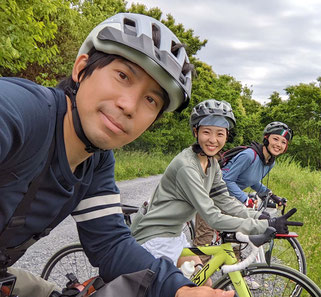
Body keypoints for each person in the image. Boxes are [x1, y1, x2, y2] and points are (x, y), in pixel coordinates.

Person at [0, 13, 232, 297]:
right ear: (81, 69)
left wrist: (179, 289)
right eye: (123, 76)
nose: (129, 105)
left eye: (151, 99)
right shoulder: (20, 112)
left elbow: (110, 245)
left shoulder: (96, 161)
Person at [130, 100, 299, 279]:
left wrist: (259, 216)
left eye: (220, 133)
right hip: (154, 237)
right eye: (206, 132)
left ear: (227, 136)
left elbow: (225, 200)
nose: (213, 140)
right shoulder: (187, 166)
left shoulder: (211, 164)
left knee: (203, 281)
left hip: (173, 234)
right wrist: (263, 226)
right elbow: (212, 216)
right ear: (196, 132)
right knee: (187, 289)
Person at [192, 122, 292, 260]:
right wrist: (245, 199)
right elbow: (226, 179)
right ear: (266, 138)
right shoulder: (249, 155)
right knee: (205, 242)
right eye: (275, 139)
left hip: (230, 200)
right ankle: (193, 277)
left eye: (283, 142)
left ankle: (233, 273)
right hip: (211, 195)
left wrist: (272, 195)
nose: (279, 144)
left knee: (235, 238)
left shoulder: (270, 162)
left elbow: (252, 180)